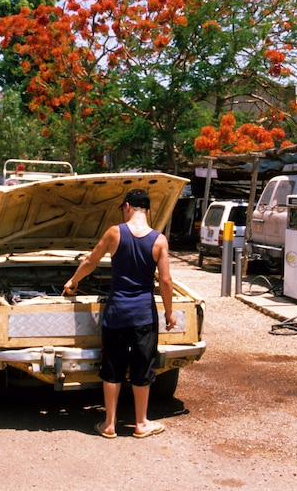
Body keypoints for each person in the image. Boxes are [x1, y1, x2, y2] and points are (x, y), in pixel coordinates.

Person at [63, 188, 177, 439]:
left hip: (116, 314)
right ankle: (141, 423)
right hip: (143, 316)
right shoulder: (159, 240)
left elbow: (91, 261)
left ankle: (110, 424)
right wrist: (169, 313)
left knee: (112, 366)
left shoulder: (115, 233)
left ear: (127, 207)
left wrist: (73, 281)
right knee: (141, 367)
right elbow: (166, 281)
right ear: (147, 210)